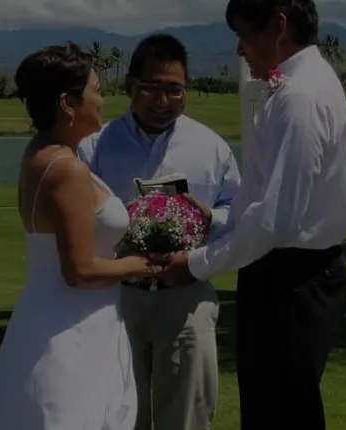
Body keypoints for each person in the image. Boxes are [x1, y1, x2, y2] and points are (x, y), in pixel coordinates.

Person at [158, 0, 346, 428]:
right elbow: (267, 199)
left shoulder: (300, 97)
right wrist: (218, 222)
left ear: (279, 26)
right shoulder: (298, 86)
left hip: (291, 279)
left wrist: (194, 265)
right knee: (274, 410)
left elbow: (277, 221)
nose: (239, 49)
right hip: (288, 273)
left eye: (244, 35)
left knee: (280, 414)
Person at [0, 43, 163, 430]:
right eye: (96, 90)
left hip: (53, 314)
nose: (103, 100)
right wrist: (142, 264)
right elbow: (79, 270)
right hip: (71, 327)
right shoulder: (67, 170)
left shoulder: (40, 153)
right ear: (68, 103)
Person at [78, 34, 241, 430]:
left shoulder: (211, 147)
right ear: (131, 85)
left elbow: (238, 214)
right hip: (117, 297)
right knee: (117, 416)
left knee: (186, 417)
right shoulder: (96, 146)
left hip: (187, 294)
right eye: (153, 87)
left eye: (175, 90)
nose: (163, 100)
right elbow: (78, 220)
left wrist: (206, 217)